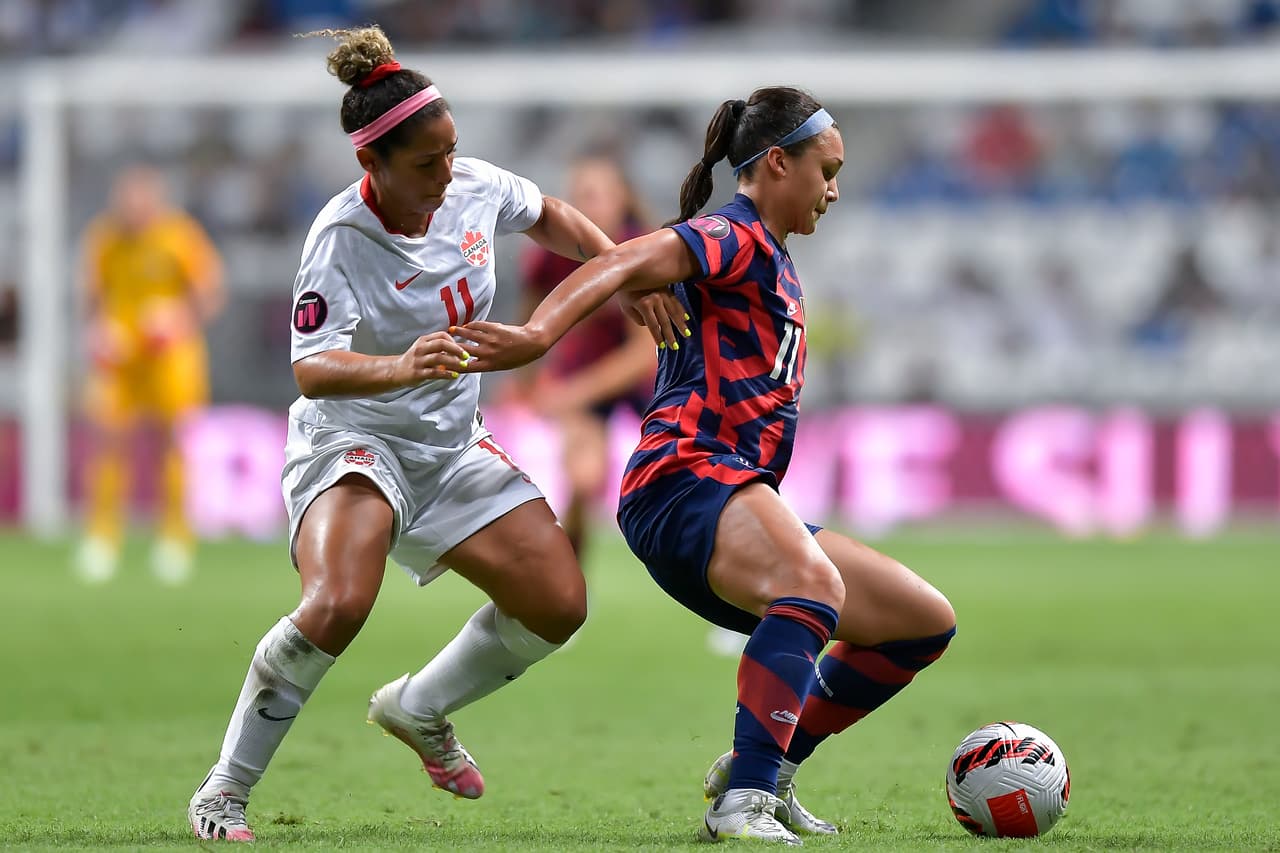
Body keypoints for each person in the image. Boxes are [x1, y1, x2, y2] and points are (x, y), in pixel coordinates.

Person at [186, 26, 675, 842]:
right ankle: (223, 790)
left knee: (558, 603)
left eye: (451, 151)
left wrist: (615, 268)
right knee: (340, 600)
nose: (447, 173)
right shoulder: (342, 237)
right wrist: (402, 365)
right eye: (426, 163)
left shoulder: (473, 184)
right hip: (356, 442)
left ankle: (418, 707)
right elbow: (313, 367)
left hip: (449, 447)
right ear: (372, 165)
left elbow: (550, 214)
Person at [455, 87, 958, 845]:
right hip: (685, 479)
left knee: (921, 623)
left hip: (730, 493)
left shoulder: (771, 256)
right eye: (826, 171)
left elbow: (638, 267)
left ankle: (766, 772)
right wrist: (536, 337)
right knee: (814, 583)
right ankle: (742, 801)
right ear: (778, 163)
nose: (834, 190)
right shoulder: (734, 233)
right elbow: (623, 258)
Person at [76, 166, 225, 585]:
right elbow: (91, 298)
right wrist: (98, 329)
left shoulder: (180, 236)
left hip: (170, 357)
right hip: (120, 357)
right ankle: (102, 537)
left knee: (172, 443)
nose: (133, 209)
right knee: (107, 440)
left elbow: (211, 292)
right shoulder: (104, 238)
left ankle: (175, 538)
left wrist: (179, 318)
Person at [512, 153, 655, 560]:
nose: (585, 205)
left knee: (688, 478)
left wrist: (573, 393)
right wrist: (525, 382)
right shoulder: (550, 255)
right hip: (583, 373)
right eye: (578, 195)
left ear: (622, 198)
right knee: (583, 478)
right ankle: (567, 576)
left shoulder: (643, 251)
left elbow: (643, 355)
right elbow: (528, 328)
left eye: (595, 194)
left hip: (647, 382)